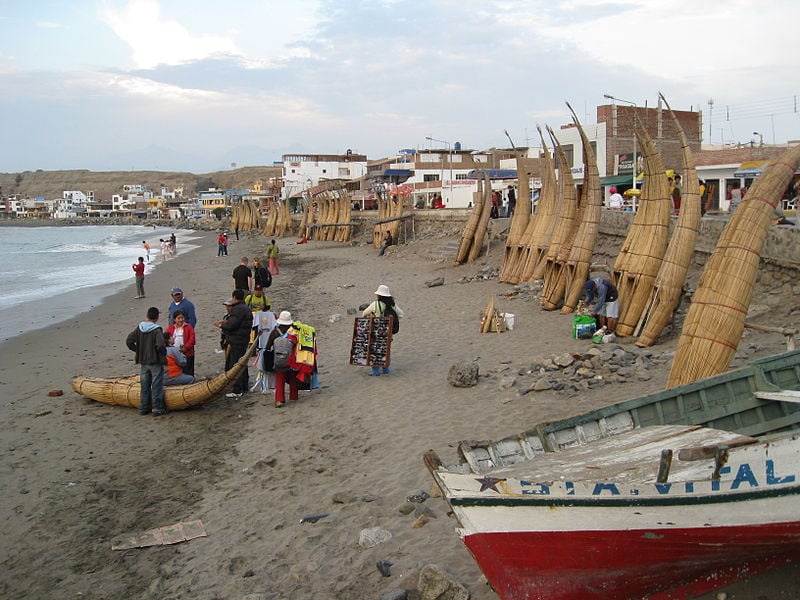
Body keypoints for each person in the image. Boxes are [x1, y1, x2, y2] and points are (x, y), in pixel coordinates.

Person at [125, 306, 168, 416]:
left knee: (145, 386)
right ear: (157, 317)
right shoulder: (157, 330)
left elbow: (129, 341)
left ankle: (144, 407)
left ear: (147, 316)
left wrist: (138, 351)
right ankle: (157, 408)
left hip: (143, 362)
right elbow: (160, 345)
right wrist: (163, 354)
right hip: (155, 362)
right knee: (156, 385)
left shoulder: (140, 328)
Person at [214, 289, 252, 398]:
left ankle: (237, 389)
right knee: (242, 363)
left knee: (235, 365)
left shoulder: (238, 309)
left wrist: (221, 325)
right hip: (243, 339)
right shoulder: (245, 308)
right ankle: (244, 386)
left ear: (235, 298)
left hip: (237, 340)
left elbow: (232, 325)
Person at [362, 284, 404, 376]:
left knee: (375, 350)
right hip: (388, 332)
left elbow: (364, 313)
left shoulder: (375, 304)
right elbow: (401, 314)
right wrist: (391, 322)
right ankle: (385, 369)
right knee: (386, 349)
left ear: (379, 295)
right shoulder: (392, 305)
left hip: (377, 332)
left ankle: (375, 371)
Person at [266, 310, 298, 407]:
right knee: (293, 377)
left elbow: (268, 346)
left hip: (279, 359)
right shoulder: (294, 332)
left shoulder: (275, 332)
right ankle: (294, 396)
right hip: (292, 360)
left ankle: (279, 399)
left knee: (280, 379)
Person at [165, 309, 196, 376]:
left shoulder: (189, 327)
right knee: (178, 370)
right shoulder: (170, 329)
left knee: (189, 370)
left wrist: (186, 347)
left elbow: (192, 339)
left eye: (182, 318)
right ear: (174, 319)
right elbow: (165, 339)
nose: (181, 320)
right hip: (175, 355)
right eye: (178, 318)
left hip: (188, 353)